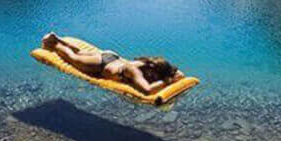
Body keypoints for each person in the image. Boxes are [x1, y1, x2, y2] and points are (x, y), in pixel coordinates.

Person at [42, 33, 184, 95]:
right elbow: (147, 90)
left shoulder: (149, 63)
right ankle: (53, 43)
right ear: (153, 69)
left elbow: (176, 73)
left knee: (79, 53)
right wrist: (167, 81)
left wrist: (173, 76)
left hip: (111, 56)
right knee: (73, 57)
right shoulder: (134, 70)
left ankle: (59, 38)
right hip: (100, 64)